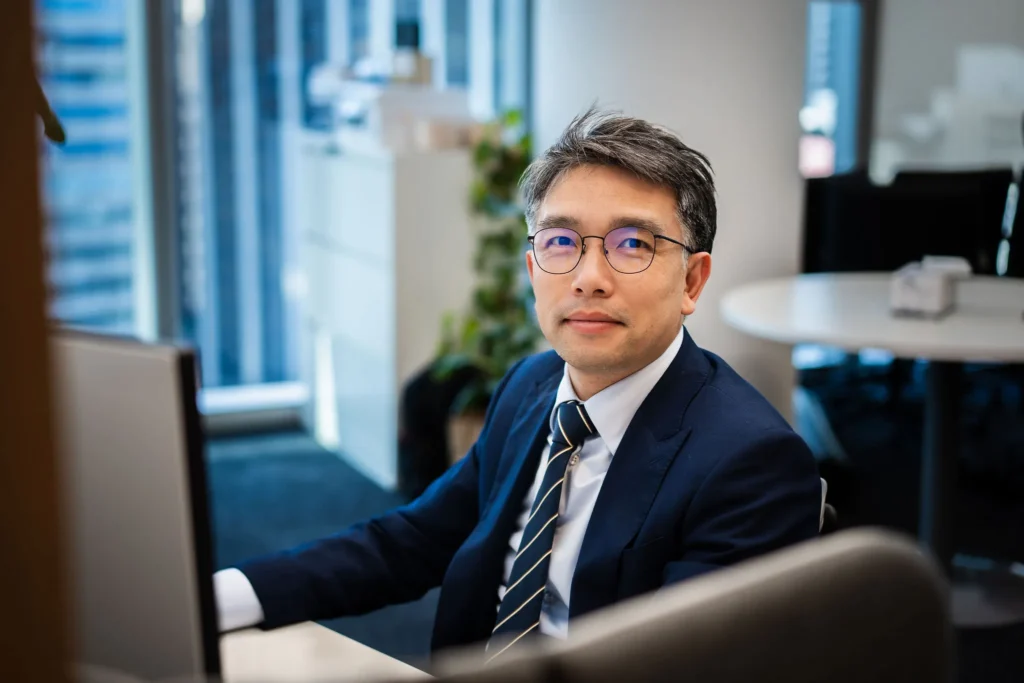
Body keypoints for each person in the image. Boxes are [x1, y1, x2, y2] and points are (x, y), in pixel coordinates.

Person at [214, 108, 822, 663]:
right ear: (534, 270)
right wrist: (224, 596)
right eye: (560, 242)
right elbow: (414, 539)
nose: (588, 278)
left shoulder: (751, 463)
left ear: (692, 280)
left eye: (632, 244)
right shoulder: (533, 387)